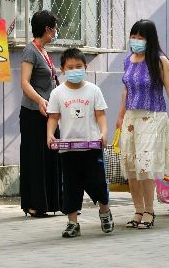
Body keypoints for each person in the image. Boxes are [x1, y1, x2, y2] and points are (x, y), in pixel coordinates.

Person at [117, 19, 169, 229]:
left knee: (145, 167)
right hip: (131, 118)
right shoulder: (128, 60)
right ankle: (138, 210)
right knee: (131, 167)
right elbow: (126, 89)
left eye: (141, 37)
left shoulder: (159, 61)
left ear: (150, 39)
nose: (136, 41)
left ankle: (149, 211)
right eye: (134, 36)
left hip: (152, 117)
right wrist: (121, 115)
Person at [46, 48, 113, 237]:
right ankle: (72, 222)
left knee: (98, 183)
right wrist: (50, 134)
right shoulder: (57, 93)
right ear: (62, 69)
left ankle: (105, 212)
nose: (74, 70)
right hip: (68, 150)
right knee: (70, 186)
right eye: (70, 67)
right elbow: (53, 117)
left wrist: (104, 133)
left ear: (85, 67)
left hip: (91, 147)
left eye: (78, 66)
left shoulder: (94, 90)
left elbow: (101, 115)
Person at [20, 10, 62, 217]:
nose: (56, 31)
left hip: (49, 113)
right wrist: (39, 100)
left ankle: (52, 202)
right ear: (47, 29)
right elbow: (25, 83)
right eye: (54, 27)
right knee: (35, 159)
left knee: (51, 156)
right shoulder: (30, 51)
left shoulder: (43, 51)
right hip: (33, 113)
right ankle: (34, 203)